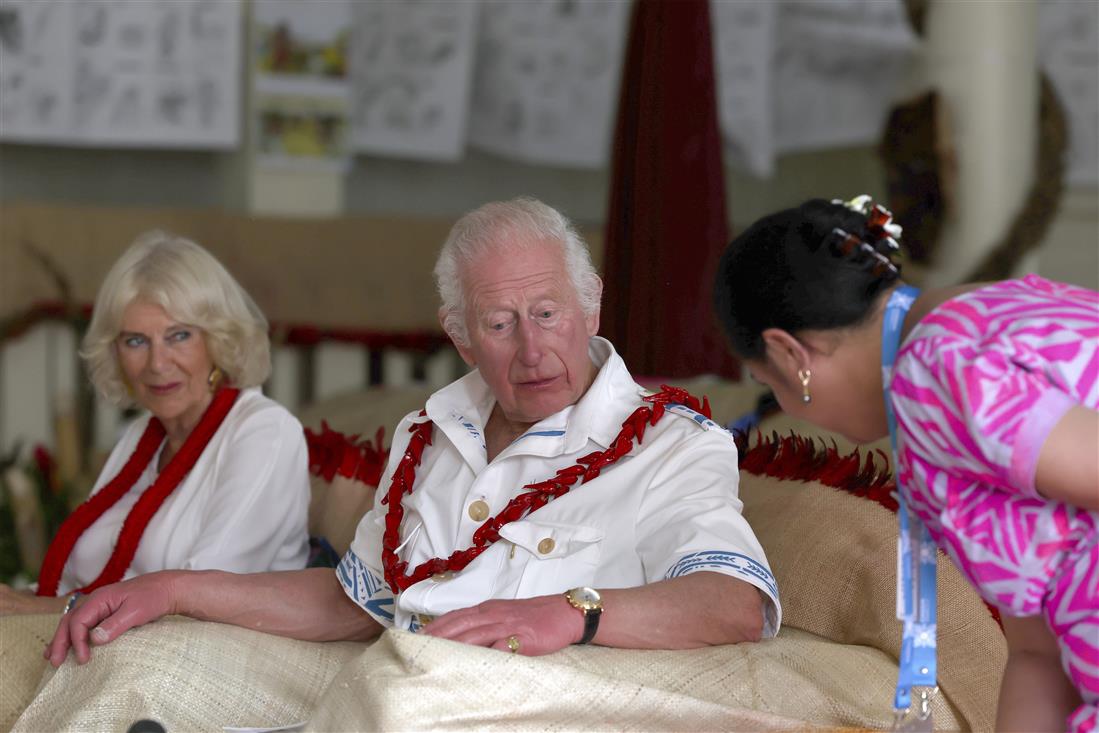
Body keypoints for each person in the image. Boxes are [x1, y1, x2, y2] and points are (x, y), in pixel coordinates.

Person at [45, 197, 778, 666]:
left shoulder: (671, 443)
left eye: (548, 313)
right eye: (499, 323)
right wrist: (175, 589)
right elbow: (351, 603)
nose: (531, 349)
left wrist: (570, 613)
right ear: (460, 336)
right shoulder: (429, 434)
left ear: (590, 308)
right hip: (383, 697)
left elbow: (735, 600)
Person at [712, 195, 1097, 733]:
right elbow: (1038, 655)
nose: (784, 404)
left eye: (766, 381)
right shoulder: (998, 309)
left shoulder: (934, 371)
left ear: (789, 355)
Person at [0, 232, 310, 615]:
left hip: (206, 647)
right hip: (102, 637)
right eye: (135, 341)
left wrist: (51, 608)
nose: (157, 364)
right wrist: (21, 599)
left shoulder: (266, 432)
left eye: (179, 335)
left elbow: (201, 594)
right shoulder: (141, 435)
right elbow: (72, 584)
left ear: (218, 339)